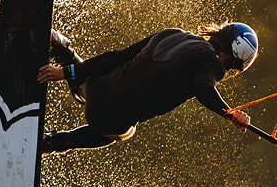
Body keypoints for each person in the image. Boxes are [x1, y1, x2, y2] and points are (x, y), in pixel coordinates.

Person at [36, 22, 259, 154]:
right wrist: (230, 114)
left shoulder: (172, 33)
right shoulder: (213, 65)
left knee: (98, 80)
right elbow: (203, 86)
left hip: (95, 85)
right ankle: (52, 142)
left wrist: (64, 73)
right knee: (126, 132)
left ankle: (63, 52)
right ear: (233, 57)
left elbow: (117, 57)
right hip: (106, 118)